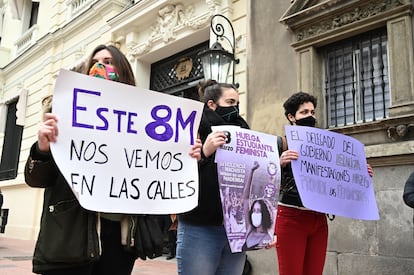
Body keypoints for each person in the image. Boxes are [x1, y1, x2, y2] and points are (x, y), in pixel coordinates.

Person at [266, 91, 374, 275]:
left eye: (312, 112)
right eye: (304, 112)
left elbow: (337, 175)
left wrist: (360, 173)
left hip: (319, 219)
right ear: (291, 117)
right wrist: (278, 163)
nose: (310, 116)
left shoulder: (326, 145)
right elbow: (262, 180)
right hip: (291, 217)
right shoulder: (280, 143)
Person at [177, 80, 249, 275]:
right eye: (230, 102)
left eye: (237, 103)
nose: (235, 108)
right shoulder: (190, 127)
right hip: (200, 227)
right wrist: (206, 153)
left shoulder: (245, 133)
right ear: (211, 104)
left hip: (236, 227)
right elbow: (177, 174)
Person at [242, 161, 273, 250]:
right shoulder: (250, 229)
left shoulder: (267, 237)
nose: (255, 214)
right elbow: (245, 198)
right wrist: (251, 172)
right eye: (254, 211)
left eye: (258, 211)